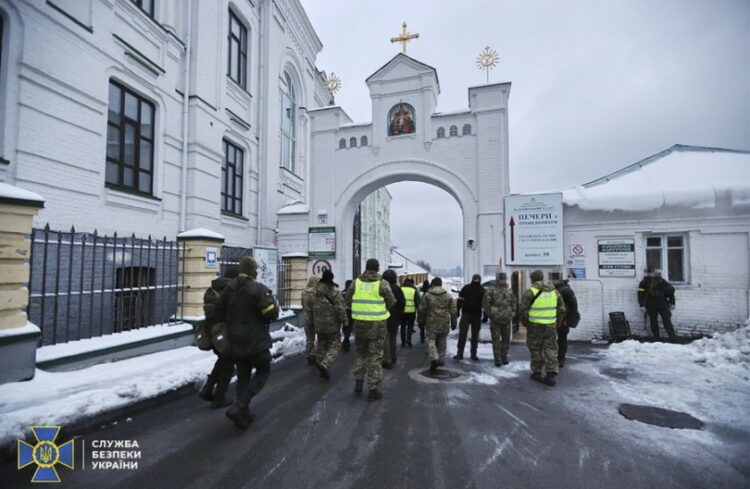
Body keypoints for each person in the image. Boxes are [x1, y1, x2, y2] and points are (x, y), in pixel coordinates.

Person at [207, 257, 279, 429]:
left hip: (236, 342)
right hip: (256, 341)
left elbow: (215, 312)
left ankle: (242, 415)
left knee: (243, 375)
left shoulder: (229, 289)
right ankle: (240, 405)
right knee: (263, 370)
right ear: (254, 271)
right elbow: (270, 313)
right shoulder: (258, 289)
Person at [345, 259, 396, 401]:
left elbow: (347, 300)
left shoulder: (356, 282)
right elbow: (392, 302)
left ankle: (359, 382)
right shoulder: (382, 283)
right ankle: (373, 389)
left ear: (366, 268)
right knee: (375, 356)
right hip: (377, 327)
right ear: (377, 269)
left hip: (359, 325)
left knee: (361, 354)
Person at [199, 266, 239, 408]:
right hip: (225, 332)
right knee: (228, 362)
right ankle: (220, 397)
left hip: (212, 332)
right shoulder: (230, 291)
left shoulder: (212, 289)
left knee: (222, 360)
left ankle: (208, 389)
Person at [519, 270, 565, 386]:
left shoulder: (530, 292)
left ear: (532, 279)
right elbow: (562, 310)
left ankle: (537, 372)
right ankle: (551, 373)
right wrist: (557, 323)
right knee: (550, 348)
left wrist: (526, 324)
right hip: (550, 325)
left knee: (535, 348)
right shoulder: (554, 292)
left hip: (535, 326)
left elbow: (522, 311)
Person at [309, 269, 347, 380]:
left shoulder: (314, 292)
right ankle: (325, 364)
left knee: (321, 344)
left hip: (319, 324)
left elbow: (310, 307)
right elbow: (340, 309)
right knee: (335, 345)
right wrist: (345, 322)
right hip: (332, 325)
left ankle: (321, 365)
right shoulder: (335, 292)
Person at [418, 277, 457, 372]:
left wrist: (420, 320)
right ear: (441, 284)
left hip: (431, 322)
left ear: (433, 284)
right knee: (442, 341)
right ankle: (441, 359)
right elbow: (453, 309)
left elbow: (421, 309)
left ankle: (434, 358)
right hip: (444, 321)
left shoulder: (427, 295)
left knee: (430, 340)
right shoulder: (448, 295)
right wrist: (454, 321)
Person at [482, 272, 516, 367]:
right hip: (495, 319)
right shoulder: (491, 290)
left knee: (506, 340)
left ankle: (504, 357)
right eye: (501, 279)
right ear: (497, 279)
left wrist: (512, 314)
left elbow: (514, 303)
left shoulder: (509, 290)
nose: (502, 280)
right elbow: (485, 304)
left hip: (507, 319)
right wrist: (491, 314)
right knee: (496, 340)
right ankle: (497, 358)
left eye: (503, 279)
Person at [638, 269, 677, 342]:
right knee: (653, 322)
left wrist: (672, 303)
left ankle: (673, 338)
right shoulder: (643, 283)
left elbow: (670, 292)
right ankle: (656, 338)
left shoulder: (662, 281)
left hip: (663, 303)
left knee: (667, 321)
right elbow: (640, 295)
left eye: (653, 273)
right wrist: (642, 305)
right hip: (650, 305)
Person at [550, 272, 579, 368]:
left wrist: (568, 320)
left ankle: (561, 359)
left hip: (563, 320)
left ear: (558, 279)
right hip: (554, 319)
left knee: (562, 340)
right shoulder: (553, 289)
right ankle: (552, 358)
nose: (551, 281)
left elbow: (573, 306)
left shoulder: (566, 290)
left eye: (553, 279)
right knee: (552, 339)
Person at [454, 274, 485, 361]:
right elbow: (460, 300)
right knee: (464, 335)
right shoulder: (474, 289)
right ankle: (463, 354)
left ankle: (470, 354)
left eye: (477, 279)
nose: (476, 280)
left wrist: (457, 311)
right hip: (469, 315)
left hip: (473, 315)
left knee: (471, 336)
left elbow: (485, 303)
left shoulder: (480, 290)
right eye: (475, 279)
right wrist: (457, 311)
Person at [382, 270, 405, 369]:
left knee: (385, 338)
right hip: (395, 316)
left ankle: (386, 358)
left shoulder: (382, 288)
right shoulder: (397, 289)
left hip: (383, 315)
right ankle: (393, 356)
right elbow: (402, 303)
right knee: (393, 337)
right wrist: (399, 313)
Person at [301, 276, 320, 365]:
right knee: (321, 338)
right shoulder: (316, 292)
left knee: (309, 339)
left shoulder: (304, 292)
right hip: (317, 318)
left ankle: (309, 355)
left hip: (307, 318)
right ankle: (315, 354)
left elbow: (302, 304)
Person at [400, 278, 420, 347]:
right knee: (410, 326)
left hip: (402, 311)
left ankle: (403, 342)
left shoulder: (401, 289)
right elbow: (417, 301)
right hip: (411, 311)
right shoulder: (414, 290)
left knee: (403, 326)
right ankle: (409, 340)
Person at [341, 279, 354, 352]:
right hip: (350, 311)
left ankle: (346, 340)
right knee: (349, 326)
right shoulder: (353, 293)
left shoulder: (342, 292)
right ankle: (346, 341)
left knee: (345, 326)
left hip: (343, 311)